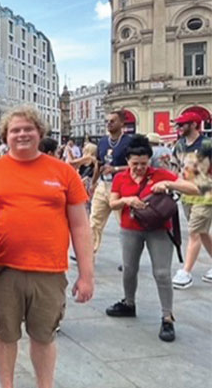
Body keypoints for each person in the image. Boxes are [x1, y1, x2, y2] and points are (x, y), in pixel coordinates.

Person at [0, 105, 94, 388]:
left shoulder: (63, 172)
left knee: (44, 336)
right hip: (4, 268)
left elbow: (81, 226)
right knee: (4, 334)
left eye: (28, 128)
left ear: (40, 133)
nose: (22, 134)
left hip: (49, 270)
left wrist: (87, 275)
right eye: (15, 130)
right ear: (5, 136)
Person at [106, 135, 198, 342]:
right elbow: (112, 203)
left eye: (143, 163)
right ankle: (129, 303)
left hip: (158, 229)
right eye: (134, 164)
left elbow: (193, 188)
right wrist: (127, 200)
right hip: (130, 228)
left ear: (150, 160)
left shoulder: (160, 174)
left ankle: (167, 317)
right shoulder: (120, 178)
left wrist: (168, 184)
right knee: (129, 269)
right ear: (128, 161)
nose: (139, 168)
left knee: (162, 273)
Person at [171, 111, 212, 288]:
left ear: (194, 125)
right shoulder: (179, 145)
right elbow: (175, 167)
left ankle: (185, 272)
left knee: (194, 232)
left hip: (205, 194)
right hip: (186, 195)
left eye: (182, 124)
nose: (179, 128)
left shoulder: (207, 144)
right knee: (202, 232)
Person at [89, 111, 133, 259]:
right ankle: (89, 252)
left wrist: (115, 169)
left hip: (121, 186)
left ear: (122, 124)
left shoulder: (129, 142)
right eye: (107, 121)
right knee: (94, 220)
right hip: (103, 184)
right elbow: (99, 164)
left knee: (124, 222)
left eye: (113, 121)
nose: (109, 123)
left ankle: (129, 257)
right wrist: (93, 182)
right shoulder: (102, 142)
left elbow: (136, 165)